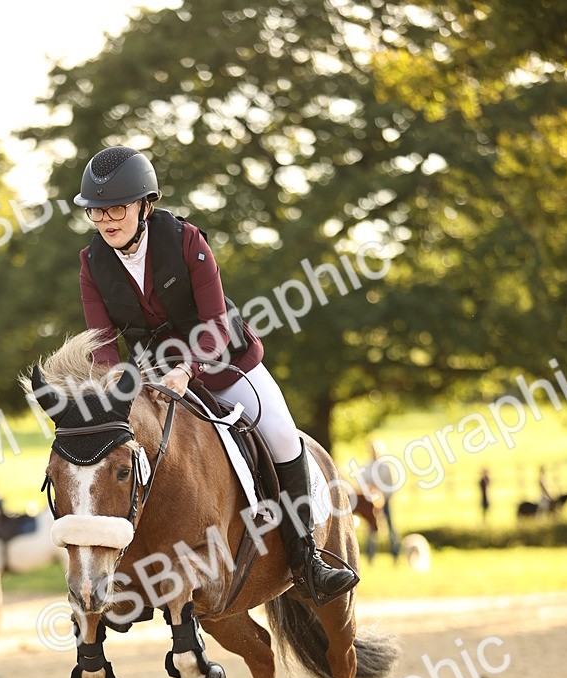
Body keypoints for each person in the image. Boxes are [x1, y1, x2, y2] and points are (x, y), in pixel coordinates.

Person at [73, 145, 358, 604]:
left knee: (284, 437)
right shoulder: (92, 264)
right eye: (97, 212)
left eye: (117, 208)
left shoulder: (186, 242)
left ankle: (307, 558)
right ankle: (126, 576)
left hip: (224, 363)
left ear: (145, 206)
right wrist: (116, 391)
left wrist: (187, 368)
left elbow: (214, 324)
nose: (107, 220)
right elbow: (102, 342)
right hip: (152, 378)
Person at [361, 441, 399, 564]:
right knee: (372, 529)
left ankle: (395, 554)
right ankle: (370, 556)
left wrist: (383, 496)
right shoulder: (368, 466)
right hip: (372, 502)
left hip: (385, 500)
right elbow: (364, 484)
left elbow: (391, 485)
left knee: (390, 527)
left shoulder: (386, 467)